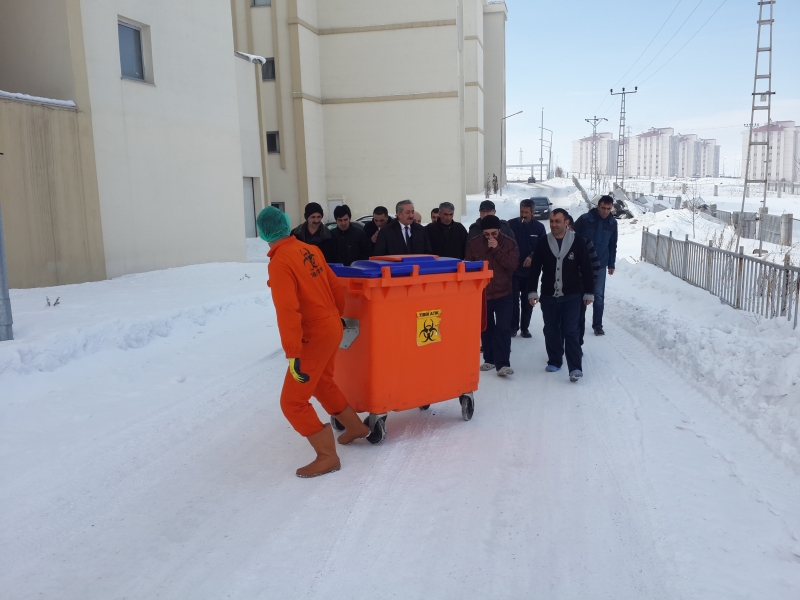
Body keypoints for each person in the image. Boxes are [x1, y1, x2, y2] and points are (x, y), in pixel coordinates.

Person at [257, 206, 370, 478]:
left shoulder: (280, 261)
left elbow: (288, 310)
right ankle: (355, 427)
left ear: (263, 233)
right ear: (286, 224)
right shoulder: (308, 249)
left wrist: (293, 352)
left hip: (314, 334)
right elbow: (334, 286)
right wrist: (337, 317)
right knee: (322, 383)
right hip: (331, 326)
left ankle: (327, 456)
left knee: (292, 402)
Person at [528, 208, 595, 382]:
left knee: (571, 331)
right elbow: (535, 269)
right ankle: (555, 360)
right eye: (551, 221)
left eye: (557, 221)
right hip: (549, 295)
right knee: (551, 330)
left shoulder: (578, 242)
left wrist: (589, 292)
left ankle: (575, 368)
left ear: (566, 222)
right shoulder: (543, 242)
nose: (554, 225)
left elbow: (587, 269)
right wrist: (532, 291)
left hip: (572, 295)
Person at [466, 215, 519, 377]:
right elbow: (468, 266)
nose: (490, 237)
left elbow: (513, 264)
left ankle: (503, 364)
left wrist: (497, 249)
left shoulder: (509, 243)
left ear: (499, 231)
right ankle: (489, 359)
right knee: (486, 328)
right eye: (486, 234)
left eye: (494, 233)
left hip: (504, 292)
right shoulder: (473, 243)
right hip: (483, 293)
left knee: (503, 328)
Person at [573, 195, 618, 336]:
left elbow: (612, 245)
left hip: (601, 264)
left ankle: (597, 325)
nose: (605, 211)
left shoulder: (612, 223)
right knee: (581, 294)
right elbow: (572, 237)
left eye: (609, 209)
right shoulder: (585, 220)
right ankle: (577, 323)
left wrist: (611, 264)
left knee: (598, 296)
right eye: (603, 208)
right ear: (598, 206)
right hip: (582, 264)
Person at [507, 199, 546, 338]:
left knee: (527, 300)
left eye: (526, 212)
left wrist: (532, 256)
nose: (523, 215)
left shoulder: (539, 228)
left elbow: (543, 248)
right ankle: (513, 327)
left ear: (532, 212)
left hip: (531, 273)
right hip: (514, 271)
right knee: (513, 300)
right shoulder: (511, 225)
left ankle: (525, 328)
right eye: (521, 211)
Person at [566, 213, 601, 347]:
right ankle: (559, 348)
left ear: (571, 225)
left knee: (578, 318)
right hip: (560, 289)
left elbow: (595, 266)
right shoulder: (552, 242)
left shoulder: (584, 241)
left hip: (579, 288)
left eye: (567, 225)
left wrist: (588, 288)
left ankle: (577, 345)